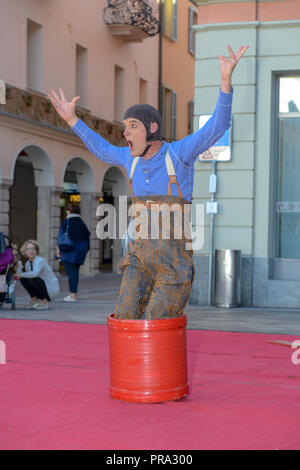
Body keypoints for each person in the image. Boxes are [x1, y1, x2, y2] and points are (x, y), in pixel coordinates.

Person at [49, 45, 248, 319]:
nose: (125, 132)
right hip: (139, 260)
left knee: (157, 325)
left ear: (152, 129)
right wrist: (72, 120)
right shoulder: (128, 158)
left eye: (132, 126)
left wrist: (225, 82)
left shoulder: (179, 153)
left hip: (173, 264)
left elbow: (218, 125)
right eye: (124, 127)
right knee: (123, 318)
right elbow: (101, 149)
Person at [56, 204, 90, 302]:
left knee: (71, 273)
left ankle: (72, 295)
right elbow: (87, 238)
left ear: (69, 212)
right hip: (80, 252)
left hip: (68, 251)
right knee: (75, 272)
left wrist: (58, 251)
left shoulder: (67, 222)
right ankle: (73, 293)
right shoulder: (82, 224)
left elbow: (60, 237)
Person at [15, 240, 59, 310]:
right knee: (24, 278)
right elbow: (26, 277)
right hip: (42, 286)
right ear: (25, 251)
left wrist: (20, 274)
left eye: (33, 248)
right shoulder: (27, 264)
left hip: (50, 288)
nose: (31, 251)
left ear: (36, 250)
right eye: (28, 249)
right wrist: (18, 268)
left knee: (32, 277)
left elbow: (34, 274)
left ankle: (44, 301)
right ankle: (34, 299)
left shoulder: (39, 260)